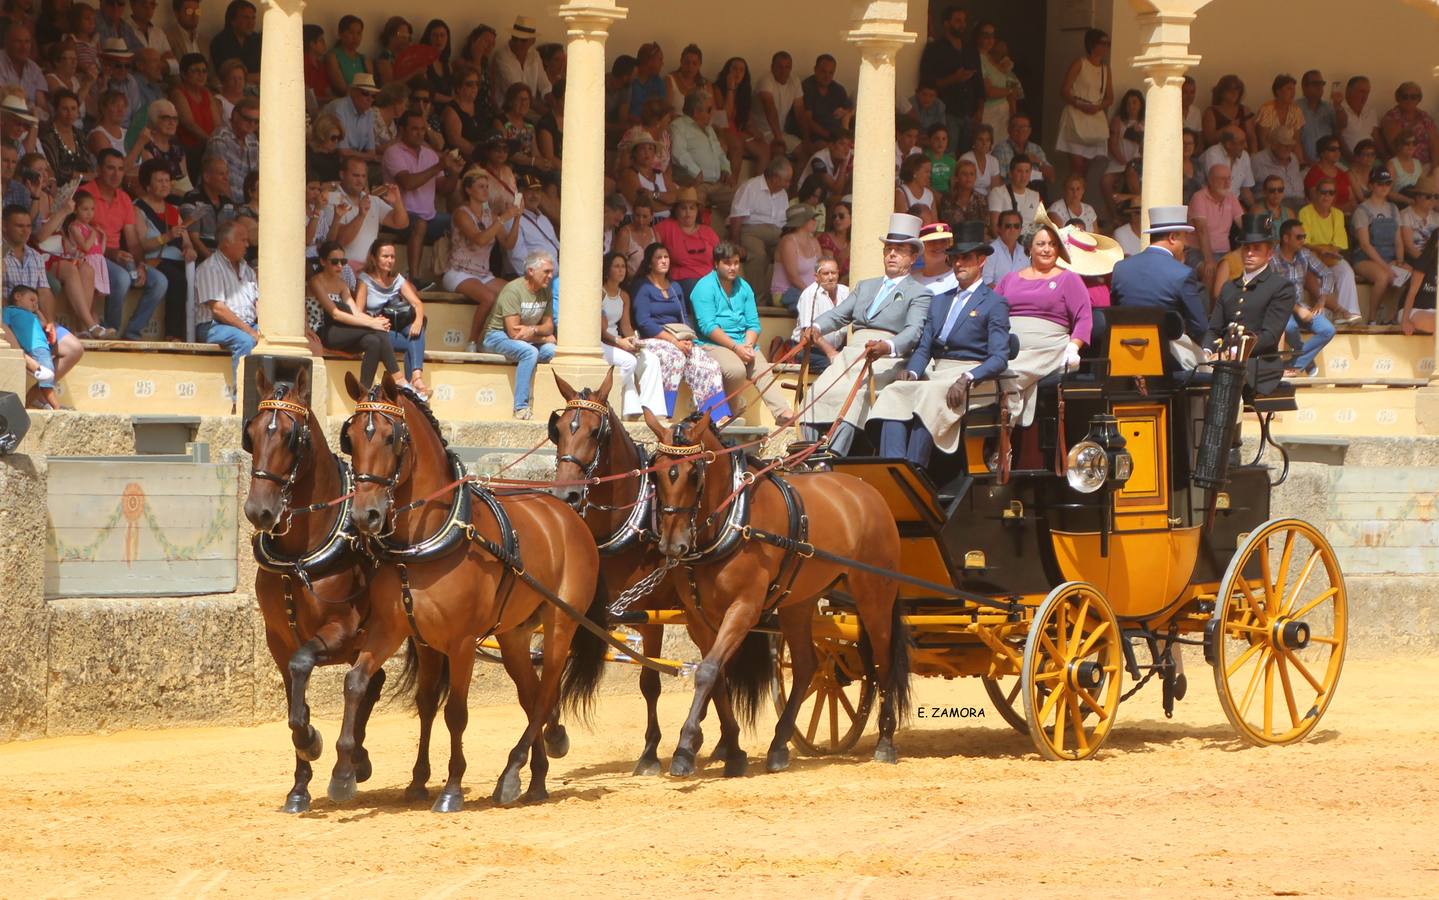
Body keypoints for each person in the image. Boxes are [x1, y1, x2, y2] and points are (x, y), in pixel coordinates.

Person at [871, 221, 1008, 467]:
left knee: (929, 394)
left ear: (981, 261)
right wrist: (912, 371)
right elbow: (924, 346)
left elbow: (999, 358)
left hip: (972, 376)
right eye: (955, 258)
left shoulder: (994, 303)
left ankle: (914, 471)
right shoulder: (940, 300)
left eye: (965, 258)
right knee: (895, 391)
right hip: (936, 371)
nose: (958, 264)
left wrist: (967, 377)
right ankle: (891, 469)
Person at [800, 212, 933, 455]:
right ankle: (804, 451)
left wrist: (888, 346)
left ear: (913, 257)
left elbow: (914, 331)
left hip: (884, 357)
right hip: (851, 354)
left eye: (899, 250)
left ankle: (832, 455)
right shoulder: (866, 286)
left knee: (856, 395)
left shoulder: (919, 292)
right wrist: (815, 328)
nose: (892, 254)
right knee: (816, 392)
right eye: (889, 249)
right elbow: (839, 315)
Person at [996, 221, 1092, 426]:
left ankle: (1004, 441)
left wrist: (1074, 347)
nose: (1047, 249)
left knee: (1007, 375)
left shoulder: (1069, 279)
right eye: (1041, 244)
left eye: (1052, 244)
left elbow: (1084, 317)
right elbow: (993, 311)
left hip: (1048, 348)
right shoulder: (1010, 278)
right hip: (1008, 347)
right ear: (1029, 246)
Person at [691, 241, 795, 425]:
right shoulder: (703, 287)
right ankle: (731, 413)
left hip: (742, 342)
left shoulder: (744, 287)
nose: (733, 267)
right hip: (713, 343)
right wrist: (736, 348)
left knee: (763, 370)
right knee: (735, 370)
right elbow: (708, 327)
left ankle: (782, 413)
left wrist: (747, 346)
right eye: (727, 263)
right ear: (716, 264)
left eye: (736, 263)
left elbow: (754, 324)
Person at [1202, 213, 1295, 396]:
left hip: (1258, 366)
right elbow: (1214, 328)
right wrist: (1206, 352)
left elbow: (1269, 336)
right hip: (1222, 363)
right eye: (1246, 248)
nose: (1250, 253)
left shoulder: (1281, 287)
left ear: (1269, 253)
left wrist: (1231, 353)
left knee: (1225, 382)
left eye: (1256, 248)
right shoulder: (1229, 287)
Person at [630, 242, 726, 418]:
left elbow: (683, 317)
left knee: (708, 364)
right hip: (652, 339)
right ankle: (665, 412)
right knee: (675, 358)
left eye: (666, 257)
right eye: (659, 258)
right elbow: (644, 323)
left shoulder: (675, 287)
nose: (664, 261)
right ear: (649, 262)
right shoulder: (642, 287)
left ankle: (716, 415)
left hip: (679, 339)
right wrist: (673, 341)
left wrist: (689, 340)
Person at [1110, 205, 1211, 369]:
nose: (1185, 244)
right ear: (1172, 237)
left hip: (1124, 354)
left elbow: (1115, 311)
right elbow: (1200, 326)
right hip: (1167, 360)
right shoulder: (1182, 273)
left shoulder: (1120, 268)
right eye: (1183, 237)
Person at [79, 148, 164, 338]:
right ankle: (111, 331)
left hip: (118, 257)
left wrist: (141, 264)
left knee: (160, 281)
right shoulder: (85, 193)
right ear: (99, 169)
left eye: (120, 169)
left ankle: (132, 332)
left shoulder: (124, 198)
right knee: (121, 278)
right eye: (110, 168)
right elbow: (80, 235)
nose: (116, 174)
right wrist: (112, 253)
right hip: (93, 256)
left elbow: (133, 241)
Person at [309, 239, 407, 392]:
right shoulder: (316, 281)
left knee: (373, 341)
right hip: (322, 330)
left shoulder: (342, 284)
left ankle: (364, 391)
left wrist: (376, 321)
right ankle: (399, 379)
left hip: (340, 330)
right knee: (377, 331)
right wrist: (372, 324)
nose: (340, 266)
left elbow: (355, 312)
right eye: (335, 262)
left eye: (343, 261)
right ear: (323, 262)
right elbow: (335, 314)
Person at [383, 111, 463, 284]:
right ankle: (415, 279)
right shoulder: (393, 152)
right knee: (419, 223)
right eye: (414, 129)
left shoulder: (430, 154)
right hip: (399, 216)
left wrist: (455, 174)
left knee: (461, 220)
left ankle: (457, 274)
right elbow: (407, 183)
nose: (420, 133)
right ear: (402, 129)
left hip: (431, 217)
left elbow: (444, 190)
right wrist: (439, 166)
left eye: (422, 129)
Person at [446, 167, 519, 352]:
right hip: (459, 272)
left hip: (484, 273)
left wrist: (516, 218)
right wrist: (503, 219)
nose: (486, 190)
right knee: (488, 297)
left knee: (513, 293)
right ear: (468, 190)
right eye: (481, 186)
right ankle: (472, 342)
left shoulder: (492, 216)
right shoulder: (461, 213)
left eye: (487, 186)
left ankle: (500, 338)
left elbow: (508, 244)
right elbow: (479, 240)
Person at [354, 237, 428, 397]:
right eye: (385, 256)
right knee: (411, 345)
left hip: (398, 326)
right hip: (380, 331)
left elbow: (417, 303)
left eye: (392, 257)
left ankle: (416, 377)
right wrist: (374, 321)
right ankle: (410, 388)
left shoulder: (397, 279)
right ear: (374, 258)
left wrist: (418, 320)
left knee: (417, 331)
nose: (389, 260)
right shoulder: (365, 280)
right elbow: (357, 313)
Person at [598, 250, 664, 418]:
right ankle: (618, 401)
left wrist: (634, 342)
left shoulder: (624, 296)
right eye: (616, 267)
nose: (621, 270)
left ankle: (653, 411)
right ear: (607, 270)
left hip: (618, 341)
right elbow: (600, 329)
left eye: (623, 267)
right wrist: (619, 342)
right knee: (629, 362)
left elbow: (626, 326)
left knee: (651, 359)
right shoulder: (600, 293)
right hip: (602, 342)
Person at [133, 159, 194, 340]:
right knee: (178, 280)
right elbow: (142, 244)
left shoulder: (173, 210)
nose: (164, 185)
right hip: (155, 261)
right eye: (159, 181)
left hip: (177, 260)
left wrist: (189, 249)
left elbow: (187, 241)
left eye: (167, 181)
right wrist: (166, 237)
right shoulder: (138, 208)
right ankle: (172, 334)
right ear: (148, 185)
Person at [1271, 218, 1336, 377]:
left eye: (1304, 237)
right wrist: (1297, 309)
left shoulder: (1305, 254)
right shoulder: (1271, 258)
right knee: (1290, 327)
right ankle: (1306, 362)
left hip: (1301, 305)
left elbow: (1327, 274)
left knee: (1328, 330)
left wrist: (1321, 300)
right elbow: (1272, 290)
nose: (1303, 241)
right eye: (1299, 237)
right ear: (1286, 238)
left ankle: (1295, 364)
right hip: (1278, 306)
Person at [192, 218, 256, 375]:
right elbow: (218, 309)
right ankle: (241, 398)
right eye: (243, 240)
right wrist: (250, 331)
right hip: (214, 326)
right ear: (227, 242)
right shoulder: (210, 268)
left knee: (274, 339)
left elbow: (258, 302)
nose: (247, 245)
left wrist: (266, 331)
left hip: (246, 324)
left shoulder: (247, 269)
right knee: (245, 341)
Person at [2, 284, 83, 408]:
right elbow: (4, 325)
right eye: (32, 300)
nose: (35, 304)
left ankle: (28, 404)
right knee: (47, 378)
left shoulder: (33, 315)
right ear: (18, 296)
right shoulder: (9, 311)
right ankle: (55, 406)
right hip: (34, 348)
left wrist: (37, 310)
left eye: (37, 302)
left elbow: (45, 323)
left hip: (44, 348)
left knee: (48, 377)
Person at [1297, 177, 1362, 325]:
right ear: (1316, 194)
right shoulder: (1305, 212)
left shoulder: (1337, 214)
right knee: (1321, 274)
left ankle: (1350, 312)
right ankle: (1335, 313)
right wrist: (1320, 250)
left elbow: (1340, 242)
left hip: (1329, 254)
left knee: (1346, 271)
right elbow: (1303, 241)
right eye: (1323, 192)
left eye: (1331, 193)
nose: (1327, 196)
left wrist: (1330, 252)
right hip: (1311, 254)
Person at [325, 157, 408, 269]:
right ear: (342, 175)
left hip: (369, 269)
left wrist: (397, 201)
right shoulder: (332, 199)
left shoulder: (373, 200)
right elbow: (339, 242)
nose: (360, 181)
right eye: (355, 175)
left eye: (363, 176)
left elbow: (401, 223)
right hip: (343, 268)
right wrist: (361, 215)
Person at [919, 4, 981, 155]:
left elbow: (979, 82)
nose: (962, 25)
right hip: (948, 112)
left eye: (964, 21)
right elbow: (927, 83)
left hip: (970, 112)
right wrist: (954, 79)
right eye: (957, 20)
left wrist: (979, 111)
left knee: (968, 157)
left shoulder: (971, 49)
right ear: (946, 23)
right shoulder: (934, 49)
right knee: (948, 154)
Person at [1350, 169, 1409, 324]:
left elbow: (1398, 240)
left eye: (1388, 183)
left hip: (1390, 258)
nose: (1384, 187)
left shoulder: (1393, 208)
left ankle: (1398, 317)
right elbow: (1364, 244)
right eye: (1380, 183)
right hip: (1364, 258)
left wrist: (1400, 262)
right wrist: (1386, 267)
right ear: (1371, 186)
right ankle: (1372, 319)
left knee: (1412, 275)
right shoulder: (1362, 210)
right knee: (1382, 277)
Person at [728, 155, 790, 298]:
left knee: (791, 250)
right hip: (751, 231)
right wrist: (736, 244)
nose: (788, 184)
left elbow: (784, 223)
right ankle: (758, 299)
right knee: (758, 255)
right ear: (774, 177)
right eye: (786, 180)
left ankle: (785, 295)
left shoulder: (783, 194)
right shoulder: (750, 187)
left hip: (777, 233)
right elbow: (736, 217)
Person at [1055, 28, 1112, 180]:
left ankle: (1080, 201)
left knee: (1086, 168)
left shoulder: (1106, 69)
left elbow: (1109, 97)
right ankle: (1070, 201)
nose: (1106, 47)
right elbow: (1064, 90)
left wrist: (1097, 107)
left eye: (1108, 44)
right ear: (1092, 44)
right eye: (1103, 43)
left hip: (1094, 117)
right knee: (1076, 166)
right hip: (1076, 115)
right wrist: (1080, 105)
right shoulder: (1080, 63)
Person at [669, 89, 734, 210]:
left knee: (742, 204)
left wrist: (726, 168)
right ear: (696, 112)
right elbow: (678, 153)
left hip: (718, 183)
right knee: (693, 211)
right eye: (709, 110)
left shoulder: (708, 128)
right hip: (693, 182)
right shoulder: (678, 125)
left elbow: (719, 152)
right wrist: (696, 172)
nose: (712, 113)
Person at [710, 57, 768, 180]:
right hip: (721, 129)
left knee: (764, 150)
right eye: (734, 69)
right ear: (727, 71)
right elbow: (726, 116)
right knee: (737, 144)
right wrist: (730, 89)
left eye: (741, 70)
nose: (737, 73)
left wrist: (755, 130)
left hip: (737, 130)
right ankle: (732, 182)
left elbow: (746, 117)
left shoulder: (745, 91)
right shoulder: (717, 88)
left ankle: (756, 189)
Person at [655, 186, 719, 292]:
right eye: (683, 208)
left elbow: (722, 257)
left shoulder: (707, 231)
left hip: (710, 280)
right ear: (676, 210)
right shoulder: (667, 227)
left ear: (697, 211)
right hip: (683, 280)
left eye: (692, 208)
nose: (688, 212)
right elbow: (649, 242)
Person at [790, 255, 847, 373]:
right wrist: (831, 353)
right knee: (835, 370)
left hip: (836, 349)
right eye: (826, 274)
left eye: (834, 273)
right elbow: (809, 331)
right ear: (816, 277)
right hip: (810, 351)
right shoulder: (810, 294)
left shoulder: (845, 291)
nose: (831, 277)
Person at [788, 54, 853, 156]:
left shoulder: (838, 89)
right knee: (831, 150)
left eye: (830, 73)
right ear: (815, 70)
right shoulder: (807, 87)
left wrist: (846, 112)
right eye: (823, 71)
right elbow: (807, 120)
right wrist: (830, 136)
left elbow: (852, 109)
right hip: (816, 138)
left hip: (838, 138)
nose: (827, 76)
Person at [180, 152, 237, 259]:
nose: (226, 178)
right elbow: (194, 240)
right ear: (206, 177)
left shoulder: (228, 203)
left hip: (224, 258)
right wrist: (214, 262)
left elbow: (232, 236)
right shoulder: (193, 200)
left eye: (227, 174)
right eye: (221, 174)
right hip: (202, 261)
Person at [490, 16, 551, 114]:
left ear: (532, 41)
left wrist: (555, 105)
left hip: (529, 110)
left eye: (523, 40)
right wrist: (546, 113)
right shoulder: (502, 56)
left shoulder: (534, 55)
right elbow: (517, 92)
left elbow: (545, 87)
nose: (518, 43)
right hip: (507, 112)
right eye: (515, 38)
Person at [1189, 164, 1245, 270]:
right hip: (1198, 251)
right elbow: (1202, 231)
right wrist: (1209, 260)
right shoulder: (1199, 198)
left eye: (1229, 178)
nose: (1227, 183)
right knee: (1210, 272)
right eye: (1222, 179)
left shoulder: (1231, 197)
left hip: (1224, 252)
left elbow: (1244, 224)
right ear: (1210, 181)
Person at [508, 171, 558, 280]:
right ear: (519, 194)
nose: (534, 196)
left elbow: (556, 246)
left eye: (538, 191)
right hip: (536, 280)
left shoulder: (543, 218)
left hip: (555, 276)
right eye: (529, 191)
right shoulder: (513, 219)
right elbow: (517, 258)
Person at [205, 96, 257, 201]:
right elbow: (220, 181)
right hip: (222, 204)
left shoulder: (253, 142)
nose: (252, 124)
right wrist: (234, 208)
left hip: (247, 207)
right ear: (235, 115)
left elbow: (257, 179)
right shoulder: (220, 138)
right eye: (247, 119)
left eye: (256, 121)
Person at [751, 50, 801, 155]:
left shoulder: (795, 81)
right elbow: (770, 108)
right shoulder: (766, 80)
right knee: (778, 150)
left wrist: (807, 138)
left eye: (787, 67)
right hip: (761, 132)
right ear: (772, 67)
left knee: (805, 151)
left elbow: (800, 111)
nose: (784, 71)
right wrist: (778, 137)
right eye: (780, 67)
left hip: (780, 133)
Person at [324, 73, 381, 165]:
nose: (370, 99)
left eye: (373, 96)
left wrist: (354, 154)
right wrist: (364, 155)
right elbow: (342, 152)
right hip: (330, 160)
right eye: (366, 93)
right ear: (353, 92)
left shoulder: (369, 113)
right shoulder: (339, 108)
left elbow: (371, 153)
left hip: (353, 163)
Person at [772, 203, 820, 309]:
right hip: (786, 293)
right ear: (801, 222)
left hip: (808, 293)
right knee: (812, 305)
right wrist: (812, 294)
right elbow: (793, 277)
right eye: (812, 218)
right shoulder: (788, 241)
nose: (815, 221)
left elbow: (821, 270)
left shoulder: (814, 242)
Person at [1379, 82, 1439, 168]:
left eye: (1413, 97)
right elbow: (1396, 149)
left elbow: (1435, 144)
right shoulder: (1392, 118)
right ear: (1398, 98)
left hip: (1428, 165)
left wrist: (1434, 168)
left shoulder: (1424, 116)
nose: (1409, 100)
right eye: (1405, 97)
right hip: (1405, 167)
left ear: (1419, 99)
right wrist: (1415, 169)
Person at [1200, 124, 1256, 207]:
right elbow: (1217, 191)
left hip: (1234, 205)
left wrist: (1256, 211)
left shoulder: (1244, 156)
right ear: (1228, 144)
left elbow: (1245, 190)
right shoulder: (1212, 155)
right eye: (1241, 143)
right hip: (1211, 205)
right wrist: (1236, 211)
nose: (1246, 146)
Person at [1250, 125, 1305, 210]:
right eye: (1284, 145)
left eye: (1290, 145)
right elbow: (1246, 187)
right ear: (1273, 144)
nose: (1288, 148)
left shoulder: (1293, 158)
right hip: (1274, 203)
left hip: (1300, 201)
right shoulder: (1258, 160)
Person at [0, 23, 48, 119]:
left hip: (30, 122)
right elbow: (3, 99)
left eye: (27, 42)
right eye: (18, 42)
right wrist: (31, 109)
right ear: (7, 42)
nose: (24, 47)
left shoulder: (35, 69)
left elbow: (42, 106)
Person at [987, 154, 1039, 236]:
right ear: (1010, 173)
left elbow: (1037, 226)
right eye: (1019, 171)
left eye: (1027, 171)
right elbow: (995, 228)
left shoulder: (1035, 196)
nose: (1024, 176)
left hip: (1028, 243)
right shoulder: (998, 193)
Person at [209, 0, 260, 83]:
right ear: (233, 21)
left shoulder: (257, 40)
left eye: (253, 18)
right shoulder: (220, 42)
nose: (251, 23)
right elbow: (226, 76)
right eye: (245, 18)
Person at [1399, 231, 1437, 336]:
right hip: (1415, 310)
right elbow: (1412, 292)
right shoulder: (1425, 261)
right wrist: (1405, 320)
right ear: (1436, 243)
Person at [1254, 74, 1305, 153]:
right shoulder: (1266, 110)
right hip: (1268, 155)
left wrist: (1300, 162)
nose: (1293, 92)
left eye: (1294, 89)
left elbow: (1296, 142)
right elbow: (1262, 142)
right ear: (1278, 91)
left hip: (1289, 155)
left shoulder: (1296, 111)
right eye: (1289, 89)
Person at [613, 194, 657, 280]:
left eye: (645, 217)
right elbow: (618, 265)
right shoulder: (625, 234)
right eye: (637, 215)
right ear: (632, 214)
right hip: (630, 282)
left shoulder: (655, 233)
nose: (641, 221)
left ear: (652, 217)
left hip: (652, 281)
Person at [1297, 70, 1336, 164]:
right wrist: (1308, 163)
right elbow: (1295, 141)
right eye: (1315, 84)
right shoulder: (1296, 109)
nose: (1320, 87)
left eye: (1322, 84)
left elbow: (1339, 131)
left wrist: (1338, 107)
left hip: (1330, 163)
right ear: (1304, 87)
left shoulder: (1329, 107)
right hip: (1306, 164)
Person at [1400, 176, 1439, 266]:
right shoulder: (1406, 215)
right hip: (1414, 260)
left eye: (1436, 197)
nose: (1433, 200)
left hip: (1434, 260)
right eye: (1428, 196)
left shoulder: (1436, 217)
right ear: (1417, 196)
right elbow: (1409, 247)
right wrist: (1428, 264)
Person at [982, 208, 1027, 286]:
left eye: (1016, 226)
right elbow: (986, 282)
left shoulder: (1024, 251)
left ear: (1021, 229)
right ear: (999, 228)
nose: (1012, 229)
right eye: (1008, 226)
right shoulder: (990, 251)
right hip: (997, 297)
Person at [959, 122, 1002, 200]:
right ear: (974, 141)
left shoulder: (993, 161)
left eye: (987, 140)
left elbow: (995, 189)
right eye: (980, 139)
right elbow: (962, 187)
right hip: (968, 199)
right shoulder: (966, 159)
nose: (984, 143)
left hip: (987, 201)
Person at [912, 220, 957, 294]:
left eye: (943, 241)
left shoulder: (958, 276)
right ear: (922, 246)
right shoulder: (912, 280)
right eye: (932, 241)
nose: (938, 246)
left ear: (949, 244)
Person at [1337, 76, 1377, 158]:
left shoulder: (1370, 111)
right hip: (1349, 159)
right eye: (1362, 92)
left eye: (1367, 93)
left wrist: (1384, 156)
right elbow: (1337, 136)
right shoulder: (1340, 110)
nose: (1365, 96)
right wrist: (1351, 158)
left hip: (1370, 158)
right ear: (1348, 91)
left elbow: (1376, 136)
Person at [664, 43, 704, 115]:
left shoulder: (705, 84)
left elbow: (711, 113)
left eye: (694, 63)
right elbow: (665, 110)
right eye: (687, 62)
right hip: (675, 124)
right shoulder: (669, 80)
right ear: (681, 62)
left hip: (698, 125)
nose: (690, 66)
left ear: (699, 65)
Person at [818, 199, 850, 280]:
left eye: (841, 216)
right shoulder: (826, 239)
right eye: (834, 217)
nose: (837, 219)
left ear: (852, 218)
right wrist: (847, 251)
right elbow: (830, 271)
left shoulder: (854, 240)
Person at [922, 123, 956, 196]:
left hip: (946, 195)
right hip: (929, 193)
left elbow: (952, 183)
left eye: (944, 139)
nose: (941, 142)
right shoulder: (924, 158)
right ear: (929, 140)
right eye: (937, 138)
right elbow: (924, 183)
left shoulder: (951, 161)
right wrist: (936, 195)